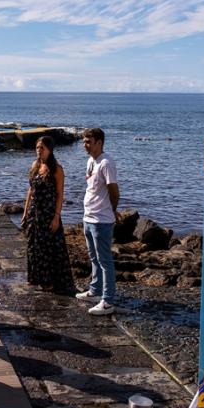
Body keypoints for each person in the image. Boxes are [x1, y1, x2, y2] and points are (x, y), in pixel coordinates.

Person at [22, 136, 75, 293]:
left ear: (50, 150)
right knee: (33, 246)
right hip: (34, 212)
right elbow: (30, 190)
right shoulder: (35, 165)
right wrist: (25, 211)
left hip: (48, 213)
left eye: (42, 148)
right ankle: (35, 278)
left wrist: (57, 216)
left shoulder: (57, 169)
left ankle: (50, 282)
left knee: (48, 249)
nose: (39, 150)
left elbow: (60, 194)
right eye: (37, 147)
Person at [77, 127, 121, 315]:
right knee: (93, 257)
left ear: (99, 142)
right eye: (84, 141)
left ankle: (108, 301)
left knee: (105, 261)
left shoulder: (106, 163)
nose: (84, 145)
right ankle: (95, 291)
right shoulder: (91, 161)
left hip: (101, 220)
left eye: (88, 141)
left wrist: (112, 210)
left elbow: (114, 191)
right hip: (88, 216)